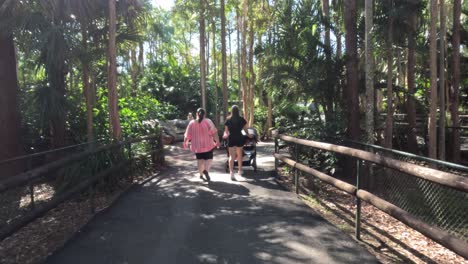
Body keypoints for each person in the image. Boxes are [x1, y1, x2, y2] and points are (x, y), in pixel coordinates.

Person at [184, 108, 220, 182]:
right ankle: (206, 170)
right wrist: (217, 141)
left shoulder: (191, 123)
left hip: (197, 147)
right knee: (209, 159)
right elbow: (214, 132)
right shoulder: (208, 121)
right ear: (205, 114)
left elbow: (187, 135)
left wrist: (185, 142)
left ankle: (201, 174)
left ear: (196, 114)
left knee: (200, 160)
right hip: (208, 145)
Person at [223, 105, 252, 181]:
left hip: (231, 138)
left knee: (231, 156)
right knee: (239, 155)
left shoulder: (228, 120)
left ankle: (231, 172)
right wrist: (249, 135)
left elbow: (226, 132)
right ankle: (239, 170)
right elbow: (246, 130)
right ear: (238, 111)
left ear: (231, 111)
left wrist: (225, 135)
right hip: (239, 138)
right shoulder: (242, 119)